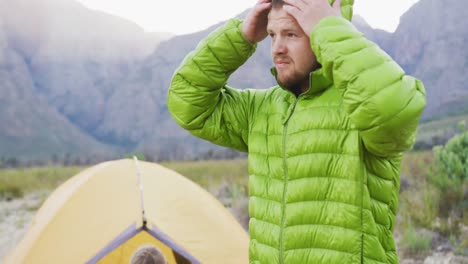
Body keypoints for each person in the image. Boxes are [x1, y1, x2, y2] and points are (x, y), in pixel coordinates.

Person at [167, 0, 426, 263]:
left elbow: (395, 109)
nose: (277, 48)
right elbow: (185, 101)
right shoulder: (260, 110)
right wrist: (240, 36)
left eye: (291, 34)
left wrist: (330, 28)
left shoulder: (363, 108)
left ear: (324, 31)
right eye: (272, 35)